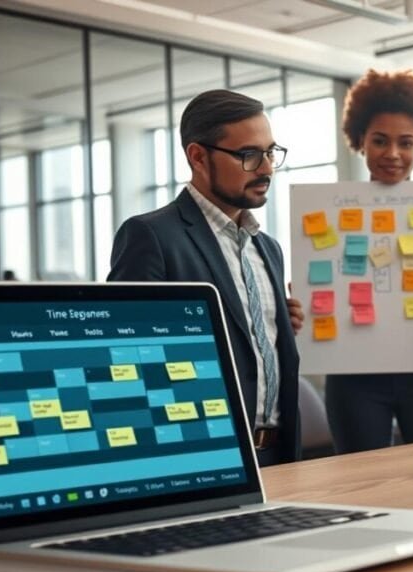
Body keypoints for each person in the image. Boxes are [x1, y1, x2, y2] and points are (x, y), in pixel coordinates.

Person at [108, 89, 304, 466]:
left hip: (278, 453)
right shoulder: (151, 236)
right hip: (201, 455)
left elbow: (250, 345)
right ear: (198, 156)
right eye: (249, 155)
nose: (265, 168)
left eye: (270, 152)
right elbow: (126, 356)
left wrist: (276, 324)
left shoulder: (268, 248)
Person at [323, 69, 413, 454]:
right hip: (354, 375)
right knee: (360, 486)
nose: (393, 154)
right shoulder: (328, 217)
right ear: (360, 142)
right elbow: (325, 287)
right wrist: (307, 294)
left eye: (406, 142)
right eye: (380, 141)